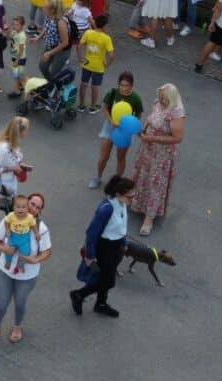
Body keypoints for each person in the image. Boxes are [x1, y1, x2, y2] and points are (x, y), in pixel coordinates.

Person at [0, 192, 51, 344]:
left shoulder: (40, 228)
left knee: (20, 303)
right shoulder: (10, 219)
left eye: (37, 207)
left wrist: (34, 260)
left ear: (39, 211)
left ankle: (17, 327)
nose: (33, 208)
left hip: (27, 275)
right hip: (5, 270)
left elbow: (47, 251)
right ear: (25, 203)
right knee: (1, 303)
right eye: (32, 204)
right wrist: (4, 249)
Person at [69, 175, 134, 318]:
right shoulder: (107, 209)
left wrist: (123, 243)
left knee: (104, 278)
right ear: (118, 194)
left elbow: (121, 227)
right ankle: (79, 294)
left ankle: (101, 303)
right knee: (108, 281)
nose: (132, 199)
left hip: (116, 246)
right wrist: (90, 255)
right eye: (130, 196)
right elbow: (92, 232)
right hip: (104, 248)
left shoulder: (122, 204)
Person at [130, 84, 186, 235]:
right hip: (148, 148)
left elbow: (177, 138)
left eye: (163, 98)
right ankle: (137, 203)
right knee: (142, 176)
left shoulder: (177, 113)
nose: (160, 99)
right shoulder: (158, 102)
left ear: (171, 99)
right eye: (159, 95)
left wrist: (153, 138)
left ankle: (149, 219)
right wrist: (144, 127)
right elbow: (151, 116)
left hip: (162, 154)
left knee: (156, 183)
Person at [89, 71, 143, 188]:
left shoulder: (136, 98)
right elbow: (104, 108)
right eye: (122, 85)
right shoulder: (113, 93)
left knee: (121, 158)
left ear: (131, 86)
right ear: (118, 84)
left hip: (125, 131)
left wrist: (131, 125)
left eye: (127, 85)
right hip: (110, 126)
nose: (124, 88)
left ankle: (117, 184)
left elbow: (139, 114)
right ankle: (97, 178)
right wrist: (111, 121)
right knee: (104, 157)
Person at [79, 15, 115, 114]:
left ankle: (81, 106)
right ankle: (92, 107)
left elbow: (80, 45)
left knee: (83, 84)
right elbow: (112, 55)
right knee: (95, 86)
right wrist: (107, 64)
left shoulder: (88, 33)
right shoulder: (106, 38)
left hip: (86, 64)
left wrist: (81, 58)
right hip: (98, 67)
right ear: (104, 26)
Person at [31, 0, 73, 81]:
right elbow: (46, 27)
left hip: (61, 51)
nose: (43, 8)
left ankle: (54, 87)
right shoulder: (48, 16)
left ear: (53, 10)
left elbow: (65, 43)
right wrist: (38, 37)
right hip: (50, 47)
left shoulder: (61, 22)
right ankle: (52, 83)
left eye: (45, 7)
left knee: (54, 73)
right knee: (42, 66)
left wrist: (49, 53)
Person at [6, 16, 28, 98]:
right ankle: (21, 86)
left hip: (19, 58)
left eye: (17, 25)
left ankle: (17, 91)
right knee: (18, 74)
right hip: (14, 57)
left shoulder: (22, 36)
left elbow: (21, 50)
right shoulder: (14, 32)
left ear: (22, 26)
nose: (15, 26)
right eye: (14, 24)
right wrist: (8, 32)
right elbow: (8, 38)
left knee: (16, 76)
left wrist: (16, 61)